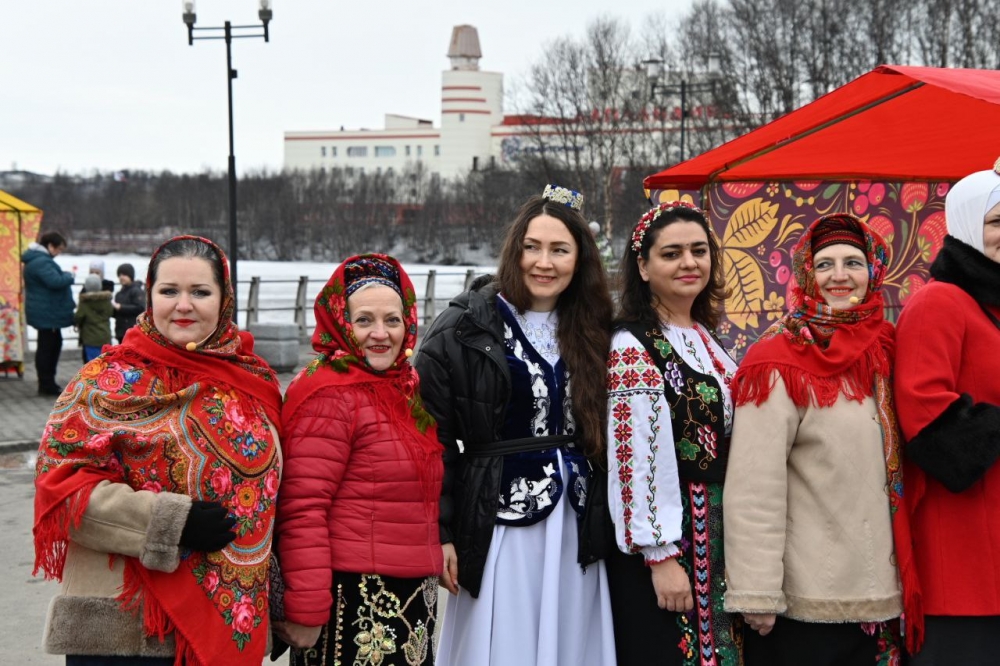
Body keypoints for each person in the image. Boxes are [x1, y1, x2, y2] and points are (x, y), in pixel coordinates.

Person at [32, 235, 283, 666]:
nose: (183, 305)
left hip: (230, 617)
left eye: (200, 292)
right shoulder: (104, 379)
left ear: (224, 299)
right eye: (169, 291)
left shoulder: (253, 380)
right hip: (125, 629)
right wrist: (170, 523)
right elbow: (61, 489)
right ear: (150, 296)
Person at [415, 185, 617, 665]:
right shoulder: (464, 326)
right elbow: (429, 437)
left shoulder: (597, 329)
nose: (544, 262)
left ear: (580, 260)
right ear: (514, 250)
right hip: (497, 520)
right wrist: (440, 533)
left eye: (560, 250)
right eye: (532, 247)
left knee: (570, 642)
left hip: (578, 525)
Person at [723, 214, 905, 666]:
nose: (839, 276)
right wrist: (757, 591)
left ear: (873, 272)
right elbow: (754, 487)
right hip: (808, 601)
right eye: (824, 264)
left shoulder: (887, 348)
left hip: (884, 596)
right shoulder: (775, 360)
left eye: (853, 263)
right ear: (806, 273)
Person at [274, 254, 443, 666]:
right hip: (354, 596)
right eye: (364, 320)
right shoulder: (329, 394)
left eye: (392, 320)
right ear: (340, 322)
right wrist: (307, 608)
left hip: (411, 595)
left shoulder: (404, 388)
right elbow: (303, 508)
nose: (380, 334)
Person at [605, 201, 742, 665]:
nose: (690, 262)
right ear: (643, 267)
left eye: (699, 251)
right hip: (672, 537)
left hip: (715, 529)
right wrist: (660, 555)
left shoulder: (704, 336)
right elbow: (635, 455)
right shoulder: (632, 344)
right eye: (672, 253)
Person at [893, 162, 1000, 665]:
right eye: (997, 221)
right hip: (965, 557)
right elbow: (925, 418)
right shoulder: (937, 303)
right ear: (964, 224)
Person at [21, 231, 75, 396]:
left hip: (46, 312)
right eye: (58, 249)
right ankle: (47, 384)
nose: (59, 253)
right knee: (48, 348)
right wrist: (69, 275)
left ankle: (48, 382)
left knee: (50, 345)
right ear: (50, 246)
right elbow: (55, 281)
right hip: (48, 314)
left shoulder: (37, 260)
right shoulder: (41, 262)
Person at [73, 273, 113, 362]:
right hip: (105, 336)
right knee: (106, 363)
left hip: (90, 339)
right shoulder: (106, 300)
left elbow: (79, 317)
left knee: (93, 364)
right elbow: (110, 313)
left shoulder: (84, 302)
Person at [113, 262, 145, 343]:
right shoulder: (119, 294)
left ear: (130, 276)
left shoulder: (136, 291)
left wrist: (121, 307)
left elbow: (140, 308)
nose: (121, 277)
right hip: (121, 332)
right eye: (119, 275)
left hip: (132, 332)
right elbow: (115, 314)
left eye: (124, 275)